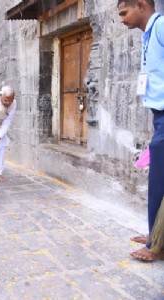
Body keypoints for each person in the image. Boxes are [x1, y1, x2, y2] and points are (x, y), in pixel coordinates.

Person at [118, 0, 164, 261]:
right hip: (159, 115)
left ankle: (157, 244)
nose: (121, 19)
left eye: (124, 13)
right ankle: (155, 234)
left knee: (160, 181)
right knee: (158, 179)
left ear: (141, 5)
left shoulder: (161, 27)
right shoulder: (149, 34)